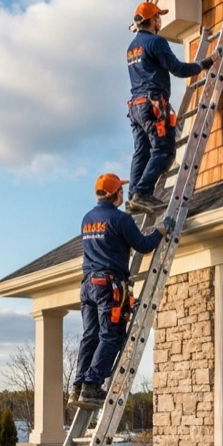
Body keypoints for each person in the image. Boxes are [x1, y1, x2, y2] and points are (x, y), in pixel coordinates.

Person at [72, 172, 174, 409]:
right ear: (112, 194)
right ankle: (91, 386)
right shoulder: (121, 219)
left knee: (91, 335)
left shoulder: (87, 218)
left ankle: (78, 385)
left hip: (88, 284)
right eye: (120, 190)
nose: (123, 193)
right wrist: (161, 230)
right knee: (111, 335)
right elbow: (144, 245)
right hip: (108, 285)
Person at [124, 1, 214, 214]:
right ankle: (142, 193)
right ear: (153, 19)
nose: (160, 21)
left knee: (142, 152)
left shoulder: (132, 47)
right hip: (153, 104)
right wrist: (204, 63)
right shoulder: (156, 42)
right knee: (164, 150)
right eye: (159, 17)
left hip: (135, 107)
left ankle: (133, 197)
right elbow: (178, 69)